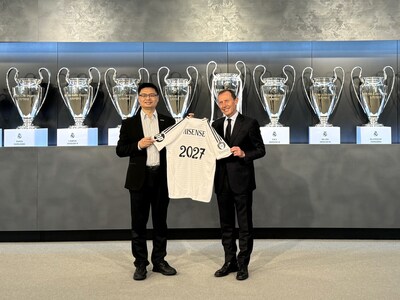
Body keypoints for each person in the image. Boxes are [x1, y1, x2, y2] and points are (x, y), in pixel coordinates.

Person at [116, 82, 176, 281]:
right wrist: (138, 145)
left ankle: (159, 261)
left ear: (158, 98)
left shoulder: (169, 121)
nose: (148, 98)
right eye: (144, 95)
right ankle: (141, 263)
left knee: (160, 223)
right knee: (138, 224)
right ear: (139, 99)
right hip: (138, 180)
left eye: (152, 95)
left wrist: (189, 124)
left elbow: (179, 145)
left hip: (161, 178)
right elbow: (120, 150)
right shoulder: (129, 123)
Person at [212, 89, 266, 280]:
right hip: (221, 183)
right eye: (220, 102)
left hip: (242, 182)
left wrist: (244, 154)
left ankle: (243, 264)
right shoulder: (215, 125)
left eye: (227, 101)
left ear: (236, 101)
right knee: (226, 225)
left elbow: (261, 150)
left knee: (244, 226)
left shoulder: (250, 123)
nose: (224, 105)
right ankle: (229, 262)